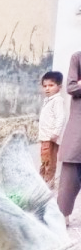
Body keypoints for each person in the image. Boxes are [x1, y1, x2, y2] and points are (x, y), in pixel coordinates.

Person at [58, 52, 81, 221]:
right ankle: (62, 215)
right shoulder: (77, 58)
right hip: (78, 127)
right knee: (70, 171)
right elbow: (72, 87)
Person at [38, 70, 64, 187]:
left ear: (59, 86)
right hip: (45, 137)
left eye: (51, 85)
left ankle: (48, 181)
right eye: (45, 86)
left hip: (50, 137)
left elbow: (60, 117)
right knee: (44, 159)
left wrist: (56, 133)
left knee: (49, 160)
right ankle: (42, 179)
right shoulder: (47, 100)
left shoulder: (57, 100)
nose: (47, 88)